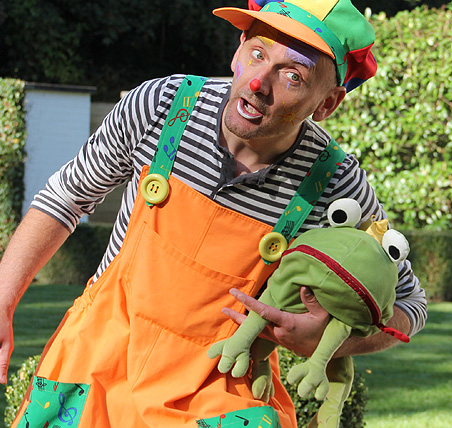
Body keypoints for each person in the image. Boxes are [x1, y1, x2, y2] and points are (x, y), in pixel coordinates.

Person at [0, 0, 426, 427]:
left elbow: (410, 303)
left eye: (292, 76)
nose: (258, 82)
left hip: (219, 387)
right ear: (238, 48)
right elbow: (66, 197)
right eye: (257, 53)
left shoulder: (335, 185)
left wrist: (326, 341)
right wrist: (3, 299)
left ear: (328, 103)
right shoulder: (164, 105)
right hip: (96, 364)